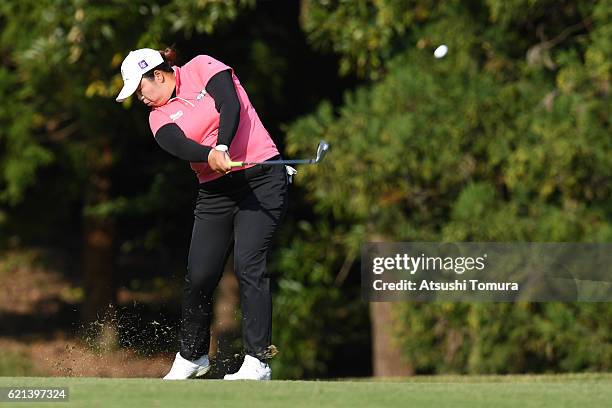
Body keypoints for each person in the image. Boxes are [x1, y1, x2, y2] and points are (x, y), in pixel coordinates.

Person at [115, 47, 290, 380]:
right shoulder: (157, 115)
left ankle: (258, 362)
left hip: (262, 178)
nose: (140, 97)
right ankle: (194, 355)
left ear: (158, 74)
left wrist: (222, 145)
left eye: (141, 88)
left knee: (249, 265)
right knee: (199, 275)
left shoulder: (202, 67)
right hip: (216, 192)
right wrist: (209, 155)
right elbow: (177, 144)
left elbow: (230, 103)